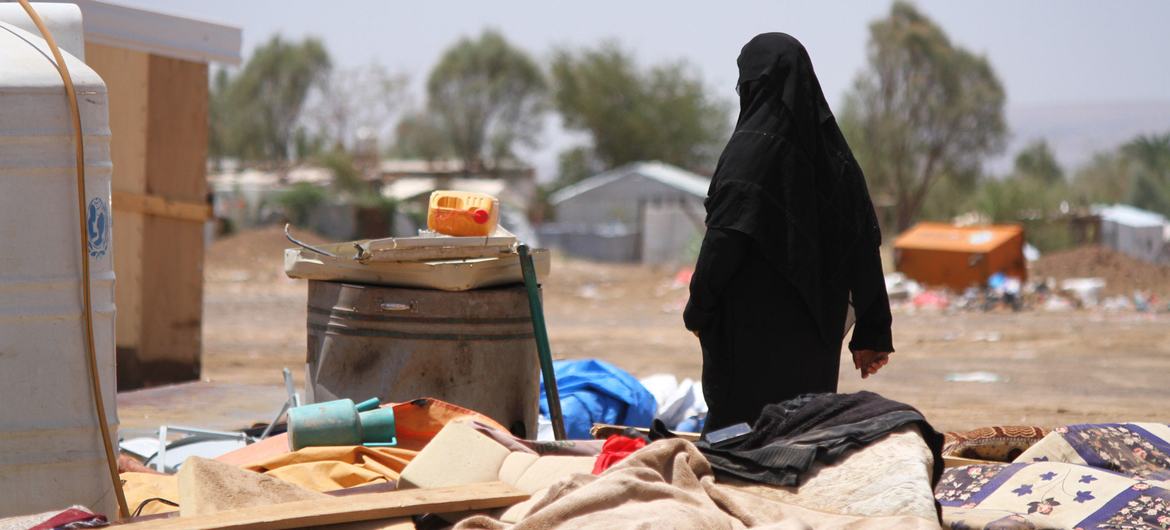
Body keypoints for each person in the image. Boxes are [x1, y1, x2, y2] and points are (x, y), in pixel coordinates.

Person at [684, 33, 893, 435]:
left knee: (738, 441)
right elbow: (863, 248)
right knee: (801, 437)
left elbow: (724, 240)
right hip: (814, 338)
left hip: (748, 340)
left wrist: (700, 307)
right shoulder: (836, 159)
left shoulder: (749, 152)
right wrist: (872, 330)